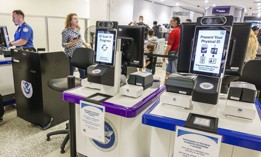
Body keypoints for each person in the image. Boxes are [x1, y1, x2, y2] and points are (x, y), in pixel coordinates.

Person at [62, 13, 91, 78]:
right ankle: (70, 87)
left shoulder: (78, 29)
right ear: (70, 21)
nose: (77, 20)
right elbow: (63, 44)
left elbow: (80, 39)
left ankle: (81, 86)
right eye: (75, 19)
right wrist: (71, 43)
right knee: (70, 74)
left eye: (77, 18)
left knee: (83, 73)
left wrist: (85, 44)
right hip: (71, 55)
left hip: (79, 54)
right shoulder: (66, 31)